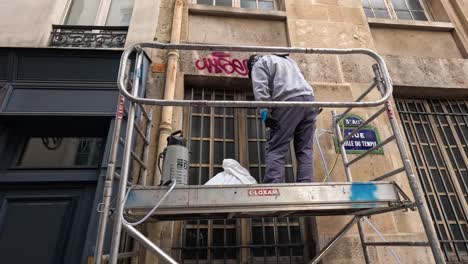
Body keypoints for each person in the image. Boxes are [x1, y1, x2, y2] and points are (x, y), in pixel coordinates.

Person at [247, 54, 318, 183]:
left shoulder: (258, 64)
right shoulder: (288, 60)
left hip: (287, 101)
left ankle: (274, 186)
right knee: (305, 149)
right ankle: (306, 184)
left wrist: (264, 112)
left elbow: (260, 88)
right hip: (309, 101)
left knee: (276, 148)